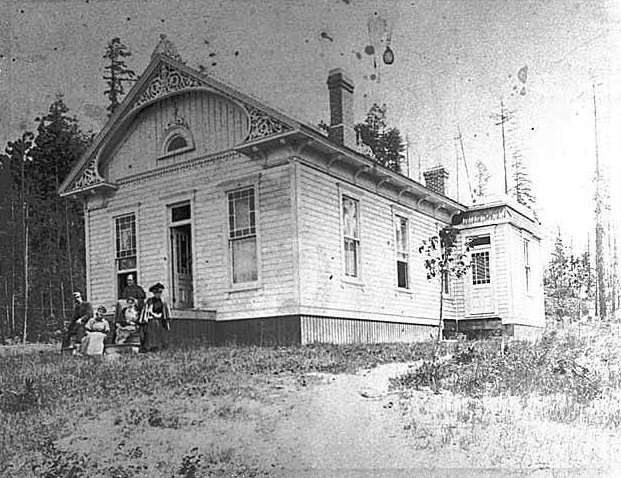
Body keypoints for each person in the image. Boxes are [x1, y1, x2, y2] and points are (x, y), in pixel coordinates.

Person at [139, 282, 171, 352]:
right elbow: (147, 311)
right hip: (151, 320)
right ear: (154, 293)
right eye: (156, 293)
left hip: (160, 320)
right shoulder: (150, 301)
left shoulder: (162, 302)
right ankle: (150, 347)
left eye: (159, 293)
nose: (158, 294)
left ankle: (159, 347)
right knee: (151, 332)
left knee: (160, 332)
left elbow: (164, 312)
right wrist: (151, 314)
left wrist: (162, 317)